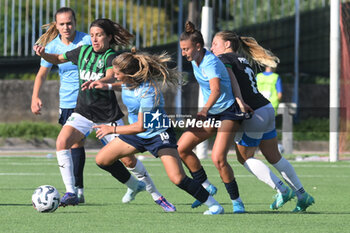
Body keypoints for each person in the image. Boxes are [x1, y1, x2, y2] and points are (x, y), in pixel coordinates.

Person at [33, 19, 175, 212]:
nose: (94, 39)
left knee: (128, 161)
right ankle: (71, 193)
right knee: (62, 142)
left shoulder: (111, 56)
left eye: (99, 35)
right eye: (92, 35)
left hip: (108, 116)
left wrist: (101, 81)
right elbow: (57, 59)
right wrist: (44, 54)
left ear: (108, 37)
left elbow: (111, 75)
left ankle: (156, 195)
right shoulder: (82, 51)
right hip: (83, 112)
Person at [89, 48, 224, 215]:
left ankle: (214, 205)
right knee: (102, 160)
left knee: (178, 178)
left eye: (117, 73)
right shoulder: (127, 82)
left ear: (129, 74)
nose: (114, 75)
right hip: (136, 135)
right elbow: (122, 85)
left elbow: (141, 126)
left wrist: (112, 129)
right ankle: (135, 185)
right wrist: (107, 85)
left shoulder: (149, 91)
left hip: (158, 135)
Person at [210, 30, 315, 212]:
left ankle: (282, 190)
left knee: (244, 158)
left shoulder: (225, 59)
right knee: (274, 156)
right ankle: (302, 194)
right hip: (266, 109)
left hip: (253, 113)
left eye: (215, 43)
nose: (212, 48)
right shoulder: (243, 60)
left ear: (227, 44)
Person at [178, 21, 251, 214]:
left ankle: (237, 201)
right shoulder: (195, 60)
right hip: (212, 112)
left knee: (218, 158)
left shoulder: (210, 62)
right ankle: (206, 185)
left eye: (186, 49)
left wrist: (204, 110)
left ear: (198, 47)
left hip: (227, 112)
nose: (183, 53)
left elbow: (216, 90)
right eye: (182, 49)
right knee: (181, 148)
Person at [31, 7, 91, 203]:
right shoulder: (52, 46)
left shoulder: (87, 40)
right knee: (74, 143)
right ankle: (77, 191)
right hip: (66, 101)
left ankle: (75, 191)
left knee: (74, 142)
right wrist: (35, 97)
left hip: (89, 101)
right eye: (62, 24)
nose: (66, 27)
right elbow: (42, 74)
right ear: (56, 25)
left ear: (75, 21)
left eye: (70, 23)